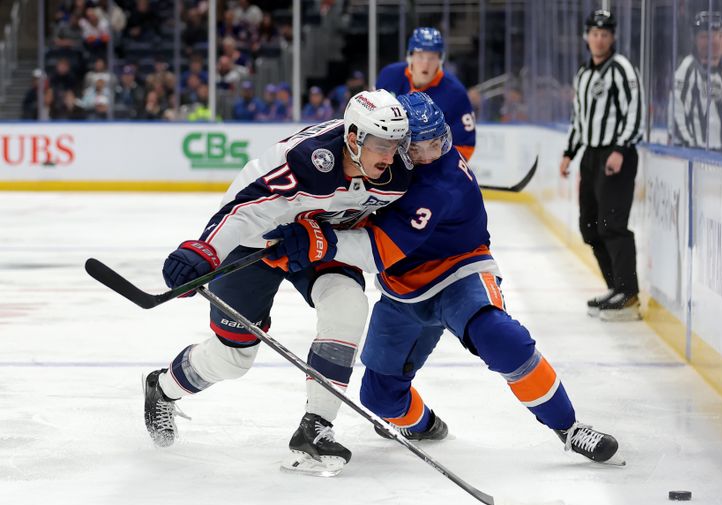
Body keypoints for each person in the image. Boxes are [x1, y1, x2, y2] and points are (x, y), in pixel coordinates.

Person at [265, 93, 622, 465]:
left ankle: (570, 428)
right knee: (378, 398)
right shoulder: (380, 159)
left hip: (459, 273)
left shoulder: (439, 183)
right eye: (420, 148)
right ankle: (424, 425)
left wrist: (317, 243)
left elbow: (379, 251)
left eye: (438, 143)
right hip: (402, 290)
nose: (433, 154)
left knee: (500, 336)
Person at [142, 89, 413, 477]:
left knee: (349, 304)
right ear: (353, 138)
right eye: (380, 145)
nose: (389, 156)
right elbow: (244, 211)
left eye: (395, 144)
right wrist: (205, 252)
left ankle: (315, 427)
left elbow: (384, 240)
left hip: (316, 242)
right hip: (256, 241)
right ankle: (163, 387)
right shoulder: (307, 161)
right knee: (232, 358)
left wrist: (319, 239)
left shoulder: (397, 172)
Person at [559, 10, 644, 321]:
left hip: (616, 155)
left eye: (605, 34)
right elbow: (578, 118)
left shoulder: (622, 69)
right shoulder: (583, 74)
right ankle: (616, 288)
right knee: (590, 227)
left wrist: (621, 148)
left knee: (612, 224)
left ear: (613, 38)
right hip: (591, 156)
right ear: (586, 37)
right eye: (594, 34)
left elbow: (635, 111)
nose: (599, 39)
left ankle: (628, 292)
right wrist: (570, 152)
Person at [376, 27, 476, 161]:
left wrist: (438, 170)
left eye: (432, 57)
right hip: (391, 160)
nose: (425, 63)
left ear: (440, 60)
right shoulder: (389, 76)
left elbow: (465, 146)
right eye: (420, 56)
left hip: (431, 164)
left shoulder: (456, 93)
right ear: (410, 56)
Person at [670, 11, 722, 154]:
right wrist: (692, 153)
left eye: (720, 35)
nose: (715, 41)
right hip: (696, 158)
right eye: (706, 36)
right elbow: (676, 116)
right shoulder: (687, 70)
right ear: (695, 39)